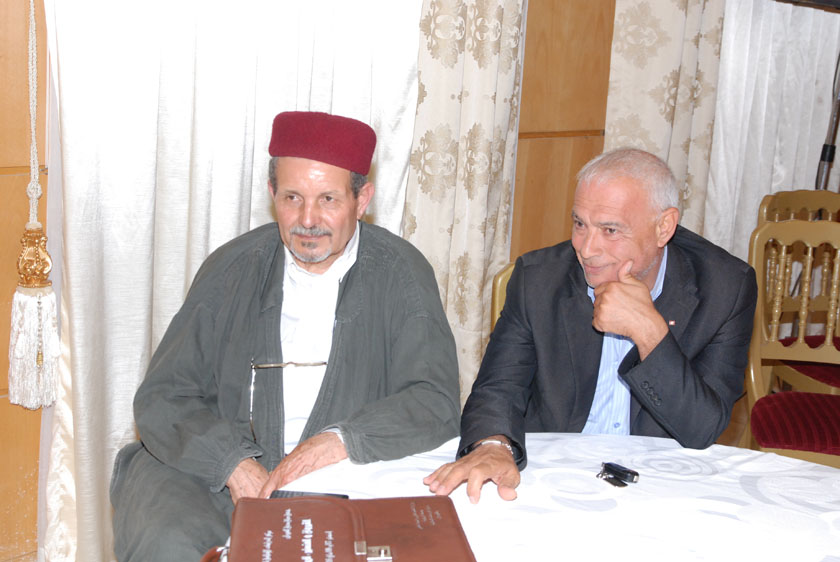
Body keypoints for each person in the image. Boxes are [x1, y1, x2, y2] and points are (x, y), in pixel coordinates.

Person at [110, 111, 461, 560]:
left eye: (328, 199)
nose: (307, 220)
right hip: (217, 475)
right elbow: (163, 397)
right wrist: (232, 463)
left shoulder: (402, 274)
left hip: (351, 471)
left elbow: (433, 400)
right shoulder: (232, 268)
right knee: (165, 540)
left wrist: (340, 440)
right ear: (272, 193)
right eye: (292, 198)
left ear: (362, 199)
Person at [424, 148, 757, 503]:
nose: (586, 249)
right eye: (580, 224)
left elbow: (702, 429)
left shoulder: (725, 288)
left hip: (659, 484)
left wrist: (649, 332)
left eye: (610, 230)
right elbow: (499, 388)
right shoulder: (539, 280)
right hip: (553, 473)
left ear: (664, 227)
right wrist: (494, 445)